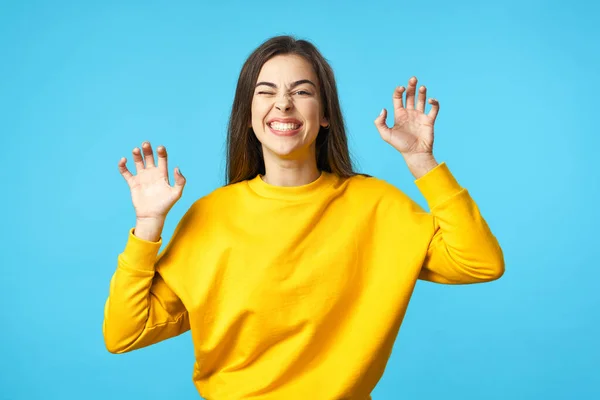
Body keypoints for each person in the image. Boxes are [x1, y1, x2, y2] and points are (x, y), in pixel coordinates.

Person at [102, 35, 504, 399]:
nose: (283, 104)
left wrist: (421, 161)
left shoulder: (377, 205)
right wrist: (148, 225)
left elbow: (480, 261)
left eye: (302, 91)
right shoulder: (210, 216)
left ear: (325, 113)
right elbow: (124, 333)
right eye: (266, 92)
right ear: (248, 114)